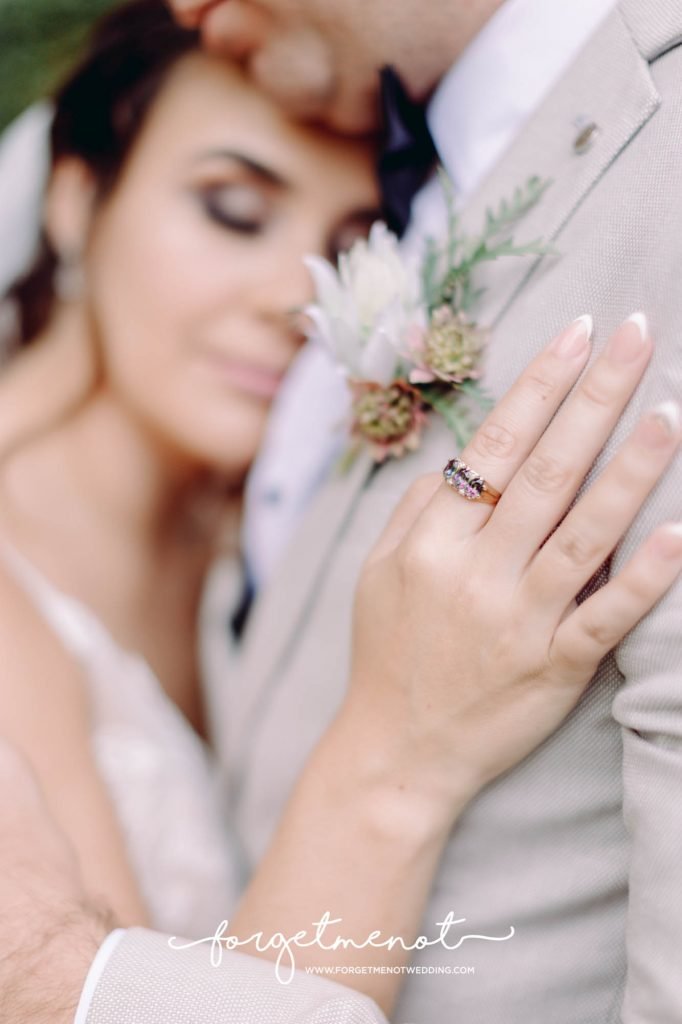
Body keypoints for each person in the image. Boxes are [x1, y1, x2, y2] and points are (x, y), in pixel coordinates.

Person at [0, 3, 680, 1024]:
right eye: (231, 207)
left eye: (350, 241)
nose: (297, 298)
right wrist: (399, 746)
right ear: (74, 196)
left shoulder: (243, 543)